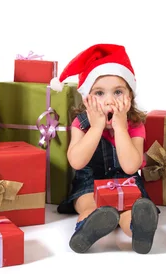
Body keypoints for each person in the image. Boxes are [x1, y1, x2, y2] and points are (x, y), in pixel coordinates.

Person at [50, 43, 159, 254]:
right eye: (99, 93)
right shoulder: (81, 124)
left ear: (130, 97)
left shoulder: (134, 125)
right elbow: (76, 161)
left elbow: (130, 166)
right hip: (89, 184)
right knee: (89, 205)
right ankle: (88, 228)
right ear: (86, 99)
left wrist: (120, 127)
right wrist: (97, 126)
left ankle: (139, 229)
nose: (109, 100)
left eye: (118, 92)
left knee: (130, 209)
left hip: (125, 181)